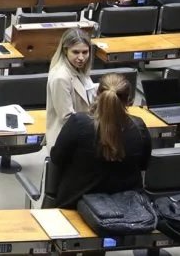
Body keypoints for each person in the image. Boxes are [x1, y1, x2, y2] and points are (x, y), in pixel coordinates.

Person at [49, 73, 151, 208]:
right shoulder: (139, 127)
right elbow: (143, 165)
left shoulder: (78, 123)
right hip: (129, 209)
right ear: (129, 100)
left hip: (77, 204)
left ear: (97, 95)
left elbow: (57, 158)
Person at [46, 28, 94, 146]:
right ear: (65, 50)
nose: (81, 57)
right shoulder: (60, 77)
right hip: (67, 140)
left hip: (82, 132)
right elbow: (67, 119)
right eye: (76, 52)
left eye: (85, 52)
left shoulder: (78, 69)